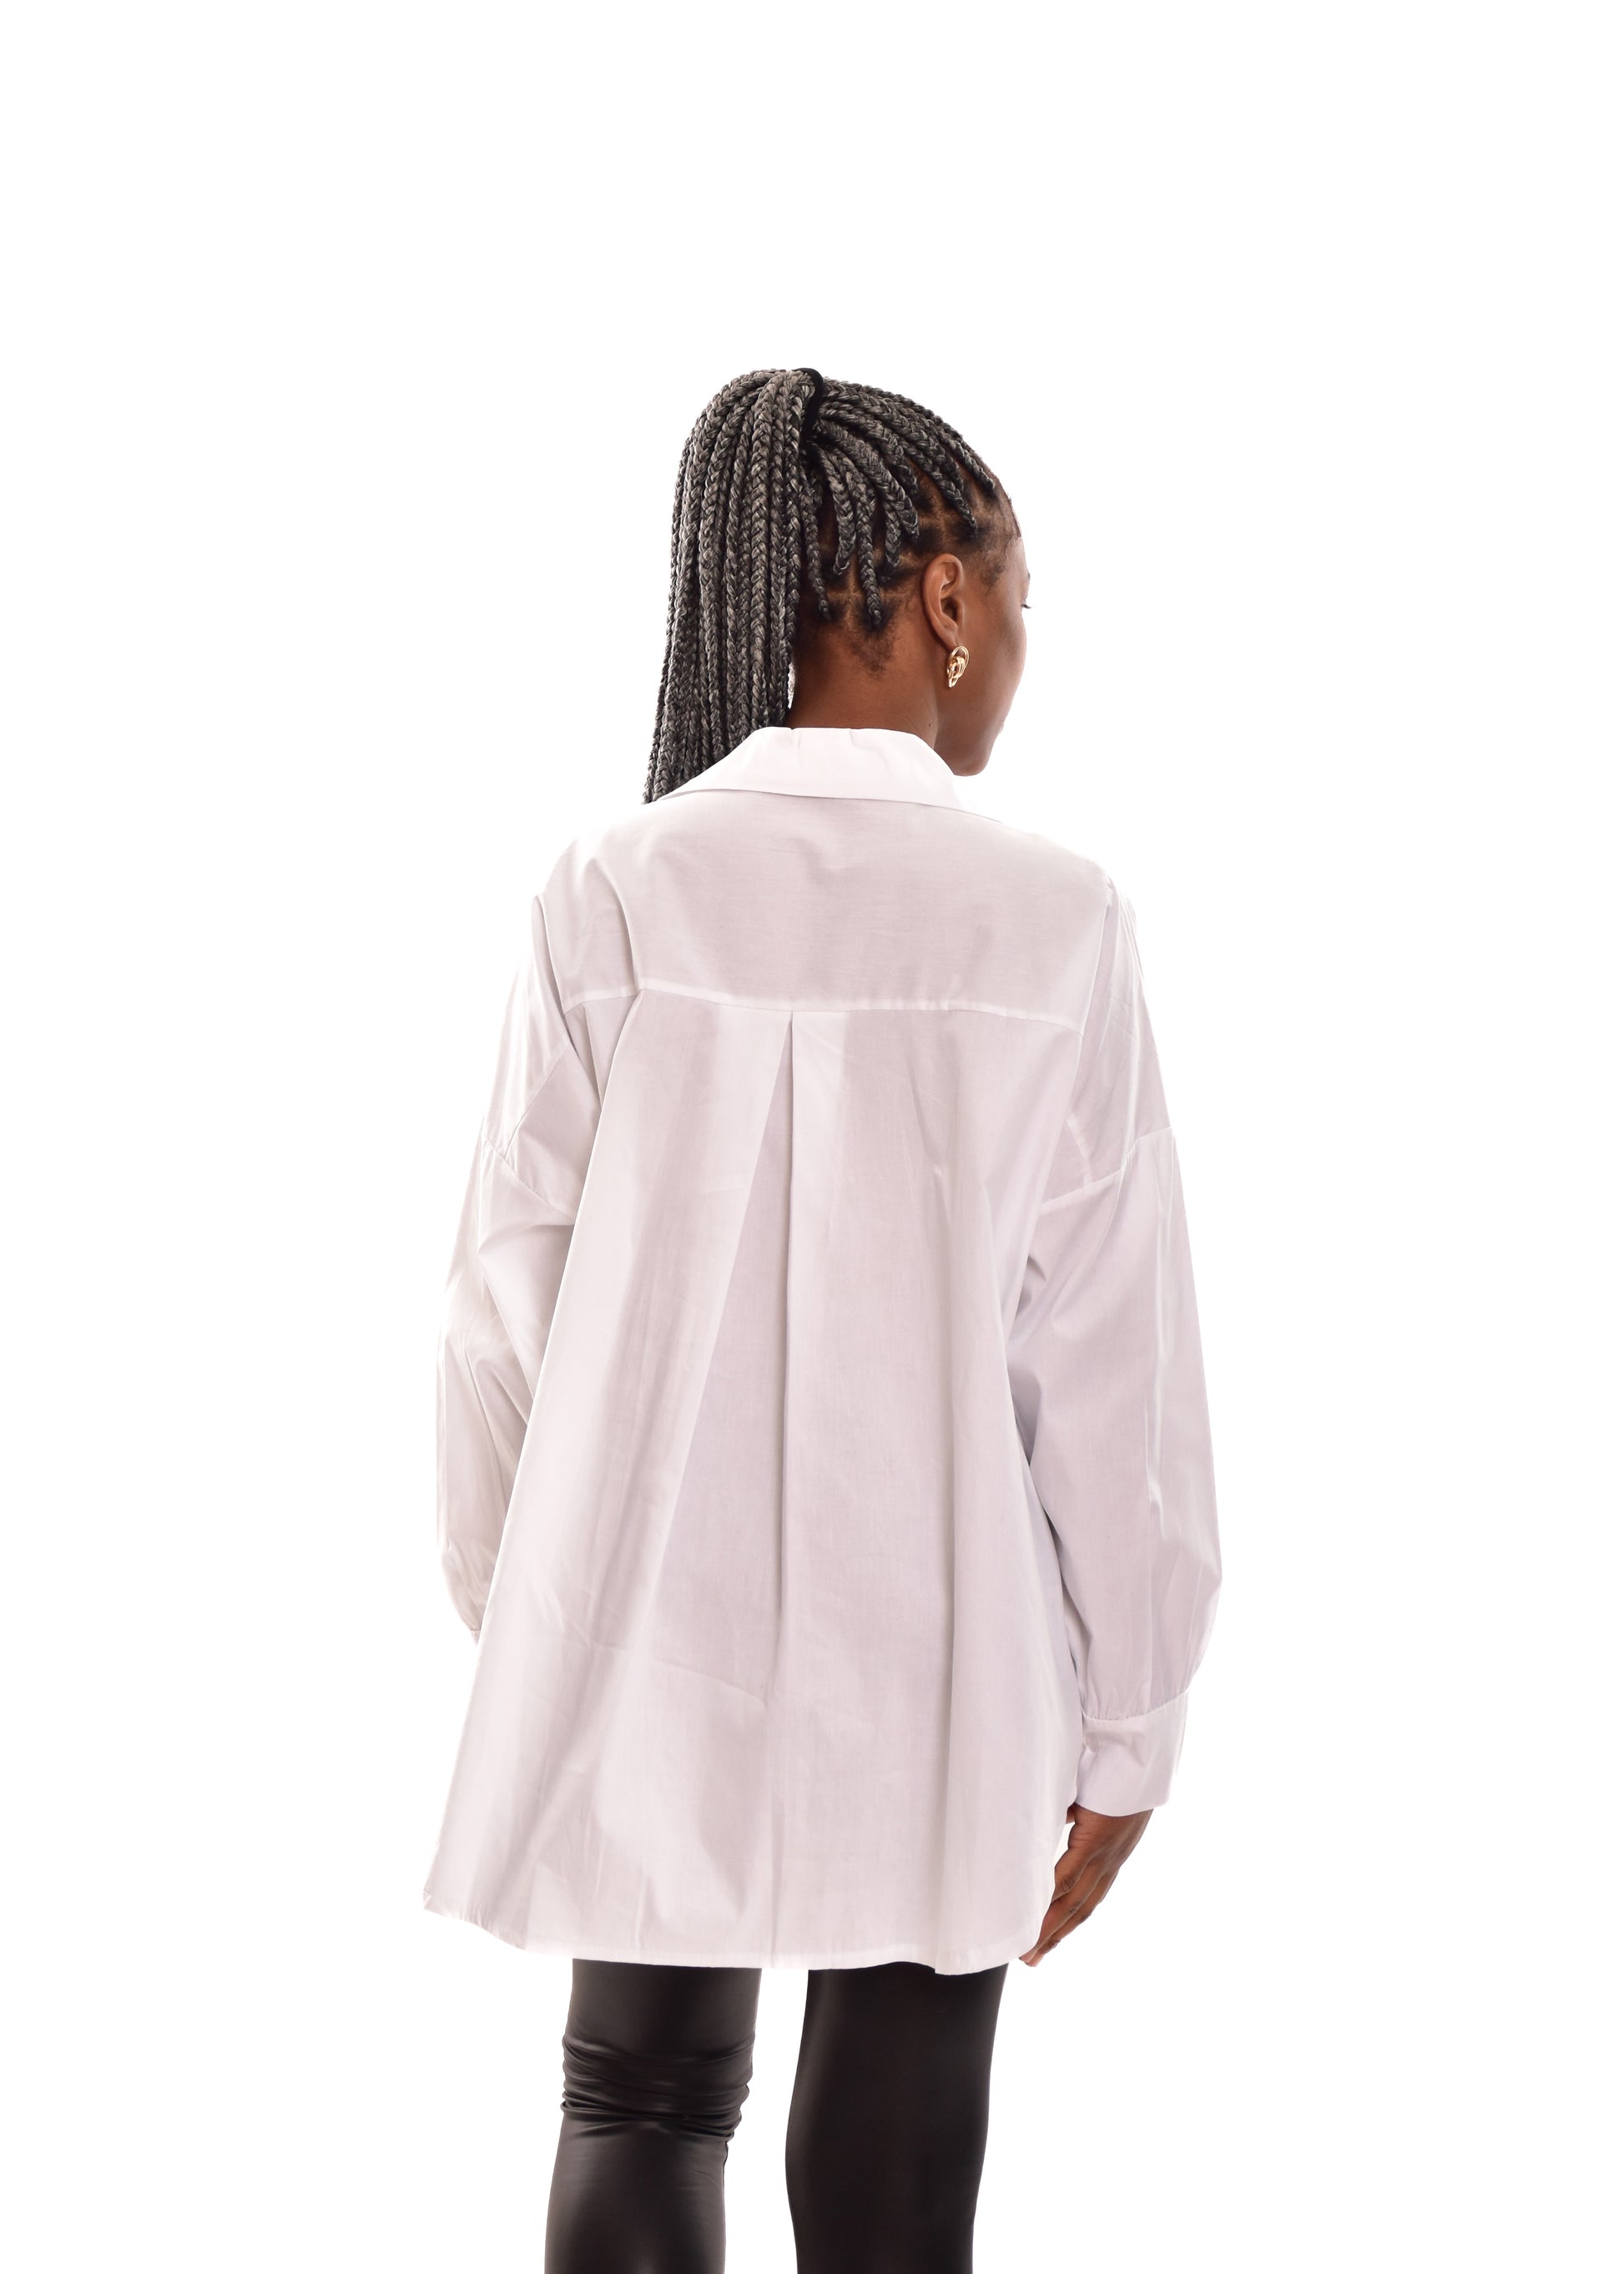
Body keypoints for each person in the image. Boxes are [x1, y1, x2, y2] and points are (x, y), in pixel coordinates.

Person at [423, 368, 1222, 2272]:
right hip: (949, 1637)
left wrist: (537, 1608)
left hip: (640, 1615)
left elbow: (500, 1309)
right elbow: (1111, 1367)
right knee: (897, 2175)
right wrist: (1133, 1720)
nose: (1017, 644)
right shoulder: (1054, 918)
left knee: (636, 2101)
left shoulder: (613, 891)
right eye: (1017, 597)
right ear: (943, 597)